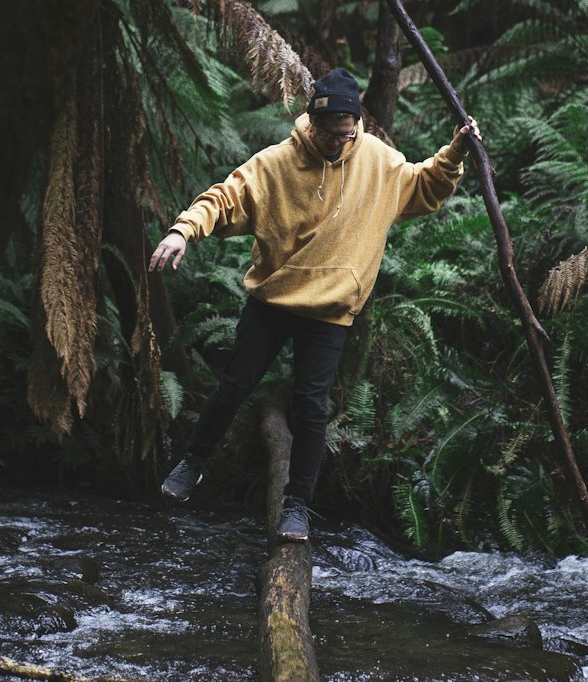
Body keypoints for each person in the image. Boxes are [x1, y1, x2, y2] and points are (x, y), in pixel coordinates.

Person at [148, 67, 479, 542]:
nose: (336, 143)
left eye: (344, 135)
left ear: (355, 126)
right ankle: (193, 462)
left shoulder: (377, 161)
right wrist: (183, 230)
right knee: (235, 383)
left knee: (311, 405)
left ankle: (298, 507)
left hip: (330, 309)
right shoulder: (275, 164)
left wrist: (456, 152)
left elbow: (424, 185)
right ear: (311, 123)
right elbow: (223, 199)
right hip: (273, 299)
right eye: (327, 134)